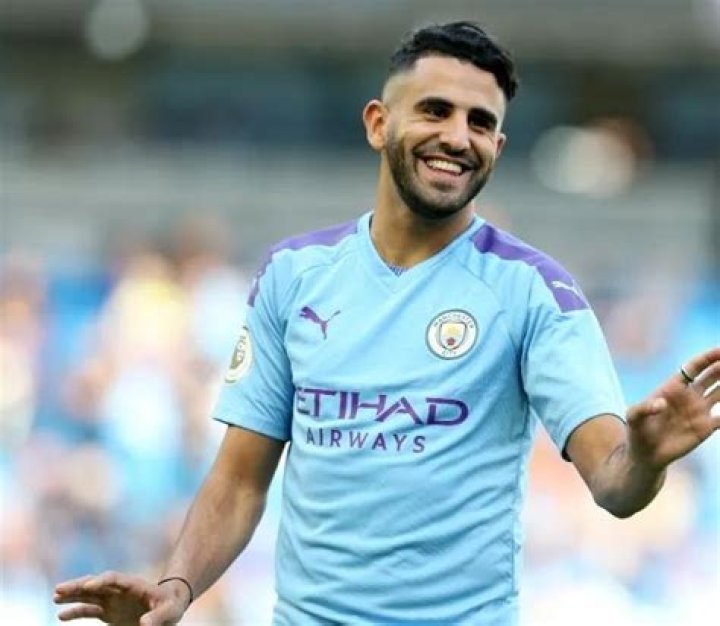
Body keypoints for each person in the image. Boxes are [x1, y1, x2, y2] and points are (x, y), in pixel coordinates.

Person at [54, 21, 720, 626]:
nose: (457, 137)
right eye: (435, 110)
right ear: (378, 123)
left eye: (480, 123)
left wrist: (647, 460)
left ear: (497, 145)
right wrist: (178, 586)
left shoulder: (534, 291)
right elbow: (238, 479)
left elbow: (614, 482)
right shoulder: (294, 276)